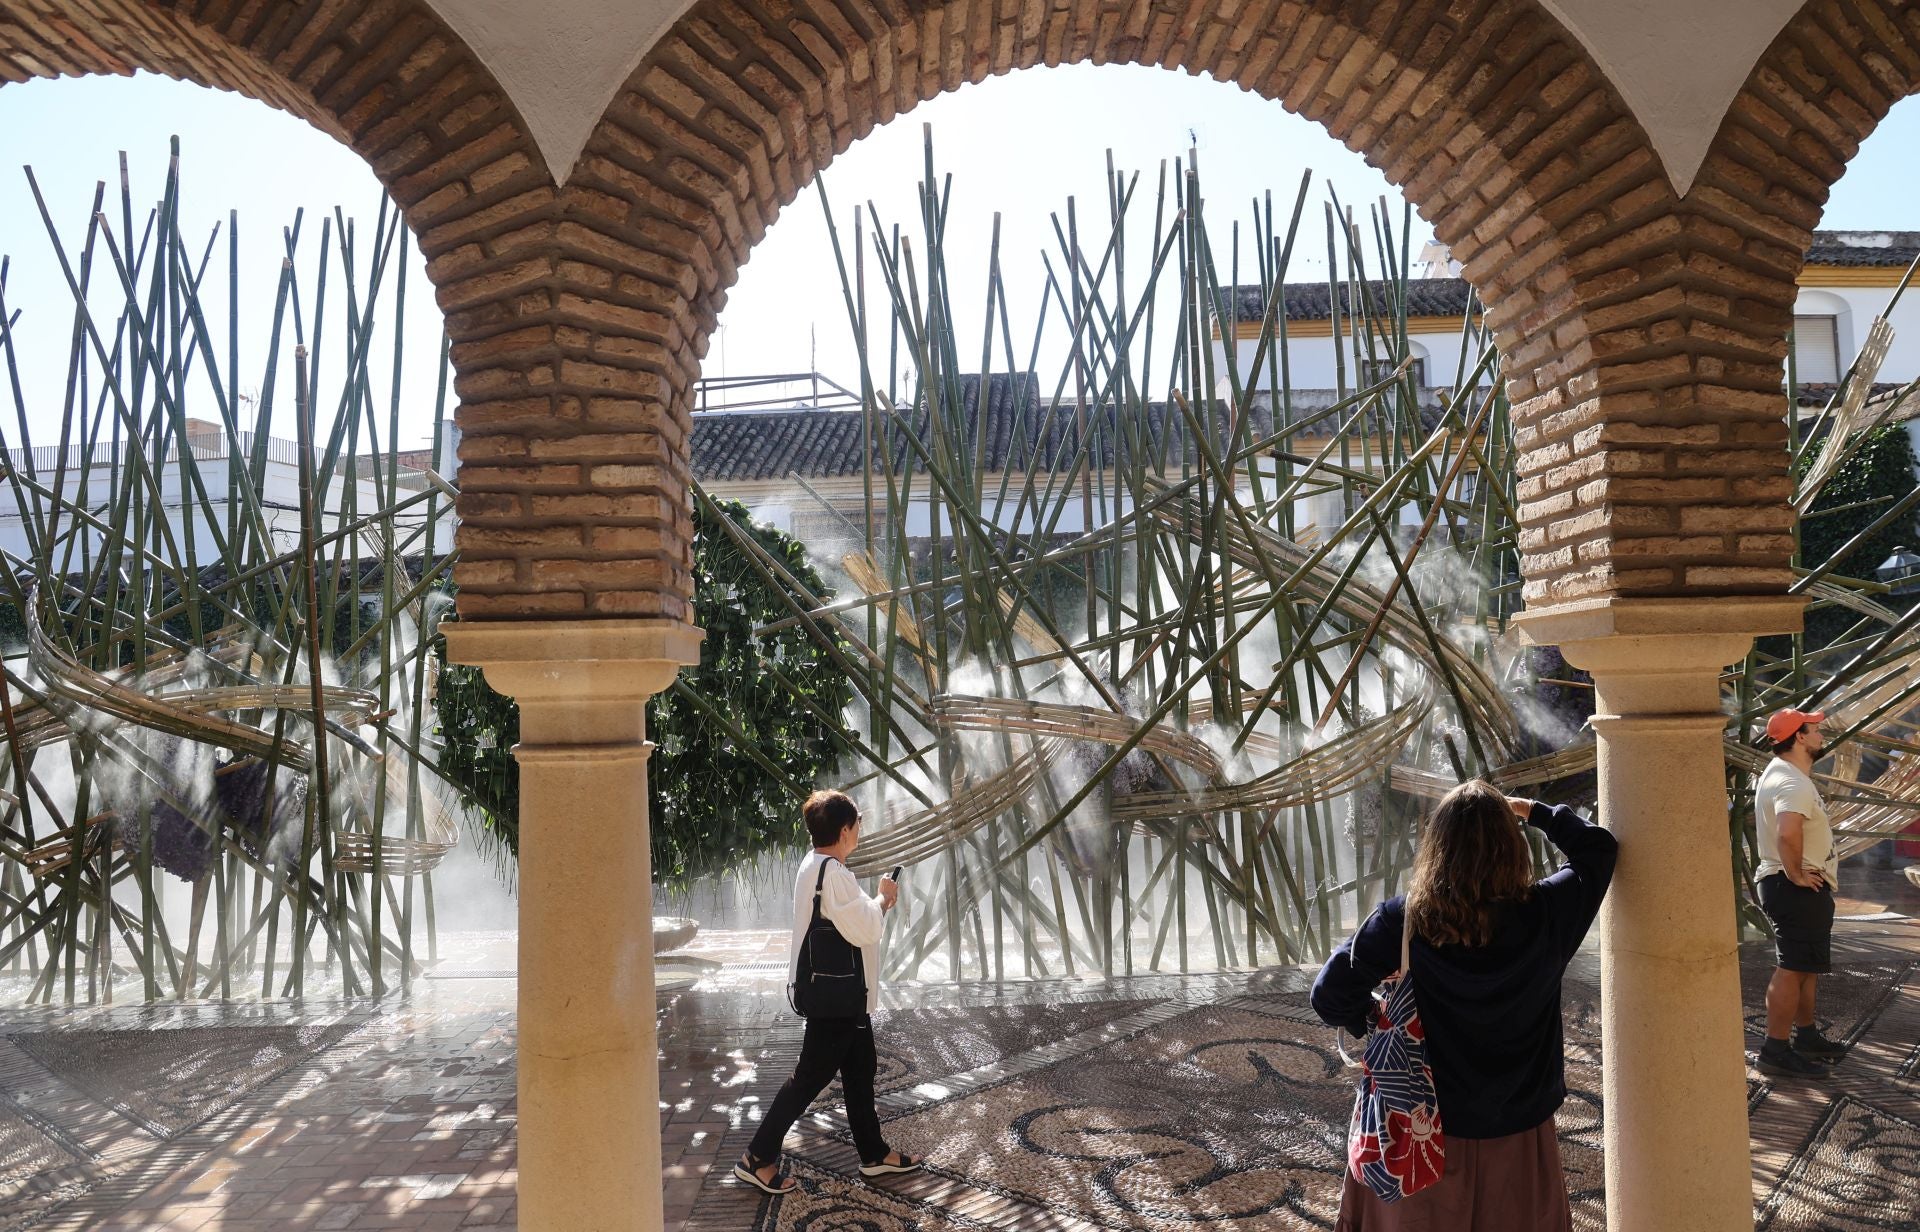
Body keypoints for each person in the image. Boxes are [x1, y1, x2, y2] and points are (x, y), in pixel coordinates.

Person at [1311, 779, 1617, 1232]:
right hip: (1519, 1132)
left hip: (1415, 1133)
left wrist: (1371, 1018)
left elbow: (1329, 995)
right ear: (1513, 849)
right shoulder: (1549, 912)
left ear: (1436, 846)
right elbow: (1598, 849)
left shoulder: (1403, 919)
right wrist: (1533, 811)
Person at [734, 789, 921, 1195]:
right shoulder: (833, 875)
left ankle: (873, 1154)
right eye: (857, 826)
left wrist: (872, 901)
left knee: (860, 1070)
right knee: (808, 1078)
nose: (859, 832)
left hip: (842, 995)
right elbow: (866, 927)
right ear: (844, 830)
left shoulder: (814, 865)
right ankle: (757, 1157)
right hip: (836, 998)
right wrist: (884, 899)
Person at [1751, 708, 1848, 1078]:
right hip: (1792, 886)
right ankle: (1774, 1050)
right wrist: (1795, 873)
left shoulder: (1785, 775)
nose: (1821, 734)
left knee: (1805, 967)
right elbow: (1788, 831)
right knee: (1792, 968)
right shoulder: (1791, 781)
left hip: (1797, 886)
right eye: (1815, 729)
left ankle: (1806, 1037)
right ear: (1800, 737)